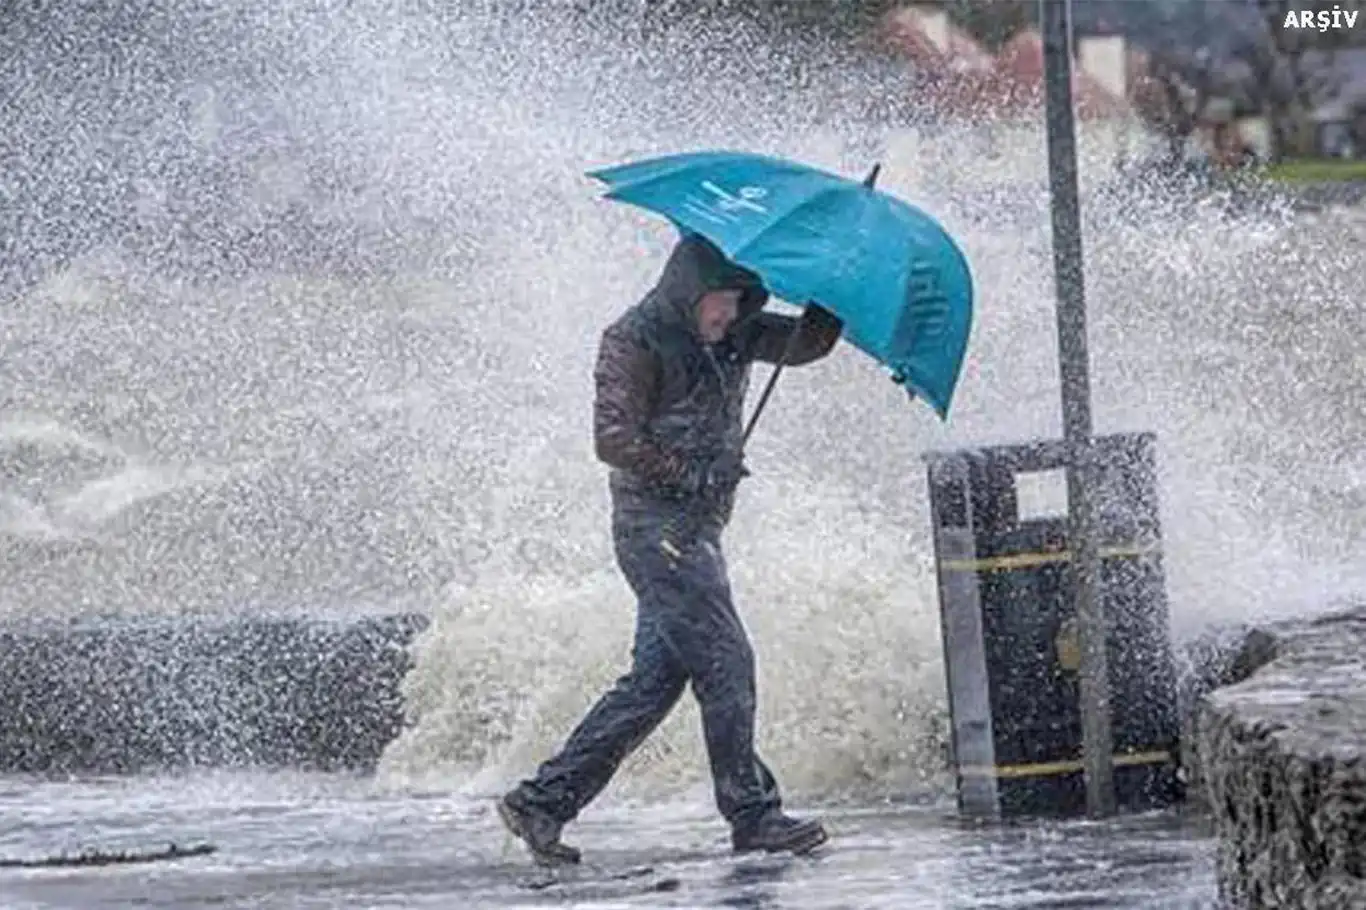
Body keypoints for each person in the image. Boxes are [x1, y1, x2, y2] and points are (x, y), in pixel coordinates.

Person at [496, 233, 844, 864]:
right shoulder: (633, 339)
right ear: (690, 292)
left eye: (740, 303)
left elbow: (805, 345)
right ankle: (752, 814)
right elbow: (612, 439)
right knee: (727, 660)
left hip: (698, 531)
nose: (729, 316)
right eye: (720, 303)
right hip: (654, 530)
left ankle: (541, 803)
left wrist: (832, 293)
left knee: (654, 682)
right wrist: (691, 474)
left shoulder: (736, 331)